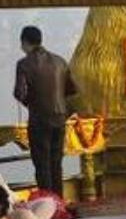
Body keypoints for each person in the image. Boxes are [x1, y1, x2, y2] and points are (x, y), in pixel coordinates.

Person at [13, 24, 80, 199]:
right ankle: (60, 203)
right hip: (60, 119)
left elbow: (19, 93)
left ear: (25, 42)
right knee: (56, 164)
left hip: (39, 121)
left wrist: (32, 103)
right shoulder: (60, 61)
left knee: (42, 166)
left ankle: (48, 206)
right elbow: (72, 90)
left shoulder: (24, 64)